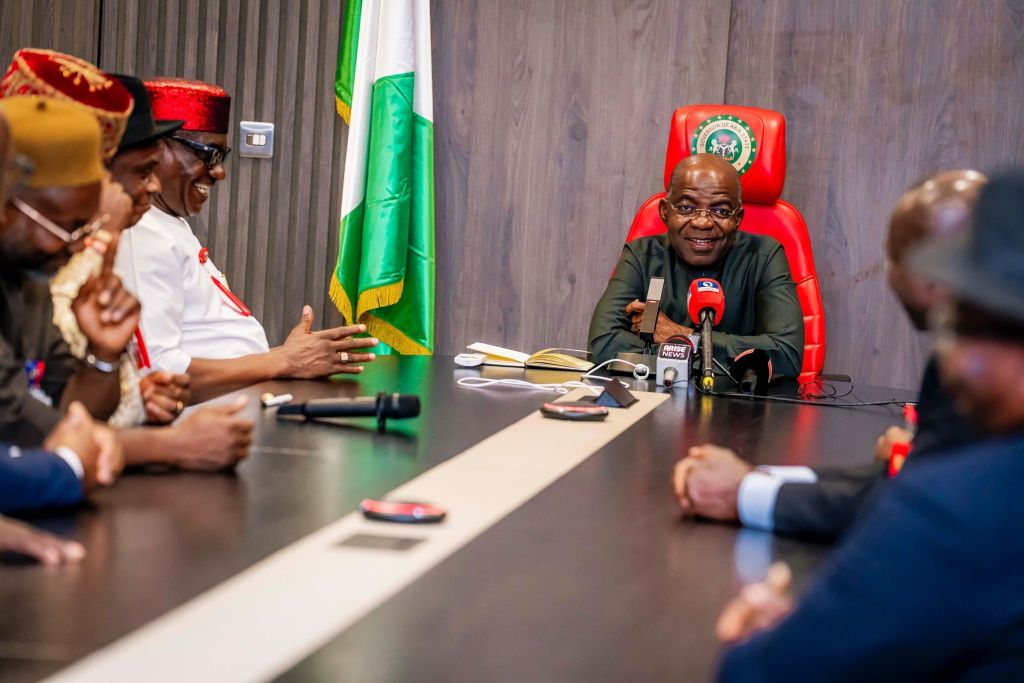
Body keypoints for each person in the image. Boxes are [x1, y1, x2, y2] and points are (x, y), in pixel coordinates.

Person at [715, 170, 1024, 682]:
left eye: (961, 324)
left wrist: (766, 636)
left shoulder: (960, 508)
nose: (952, 362)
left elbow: (761, 673)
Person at [672, 171, 985, 540]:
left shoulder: (981, 368)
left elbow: (916, 502)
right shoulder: (967, 350)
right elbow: (910, 481)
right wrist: (755, 479)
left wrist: (745, 491)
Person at [0, 95, 252, 470]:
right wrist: (171, 446)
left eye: (87, 227)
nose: (79, 246)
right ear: (7, 205)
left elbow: (75, 415)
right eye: (68, 227)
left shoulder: (30, 280)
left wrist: (103, 357)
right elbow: (19, 428)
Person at [116, 77, 378, 403]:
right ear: (158, 149)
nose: (219, 172)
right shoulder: (142, 232)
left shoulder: (169, 222)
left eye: (221, 156)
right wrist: (282, 360)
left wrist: (291, 357)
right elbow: (158, 372)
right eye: (209, 154)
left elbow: (204, 340)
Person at [588, 154, 803, 379]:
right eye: (686, 207)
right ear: (664, 211)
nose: (702, 222)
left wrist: (682, 337)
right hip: (656, 403)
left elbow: (786, 355)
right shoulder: (642, 256)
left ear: (738, 218)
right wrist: (709, 353)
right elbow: (603, 344)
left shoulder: (764, 256)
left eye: (720, 211)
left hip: (738, 407)